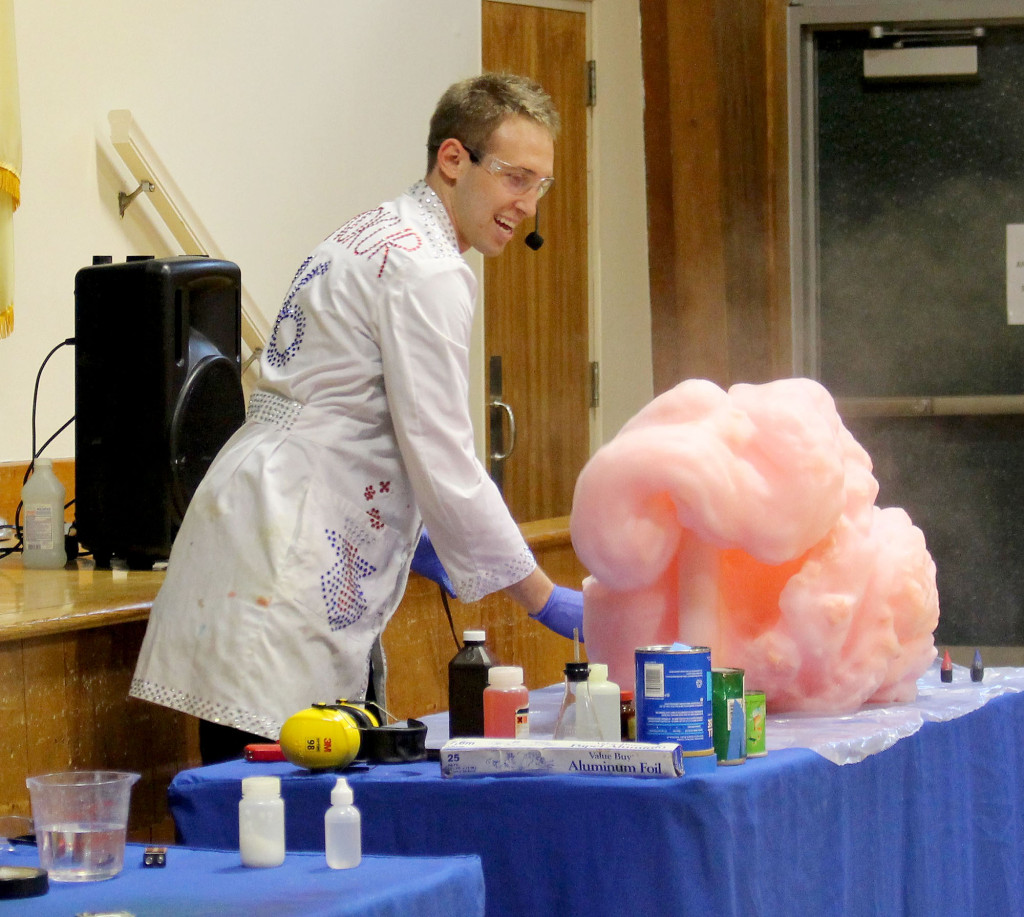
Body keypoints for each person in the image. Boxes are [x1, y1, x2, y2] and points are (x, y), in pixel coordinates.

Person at [129, 73, 584, 764]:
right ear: (453, 159)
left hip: (266, 516)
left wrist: (420, 538)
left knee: (252, 791)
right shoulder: (427, 268)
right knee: (267, 803)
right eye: (516, 178)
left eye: (540, 186)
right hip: (287, 544)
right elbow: (445, 458)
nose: (527, 205)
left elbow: (365, 413)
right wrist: (545, 597)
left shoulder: (380, 229)